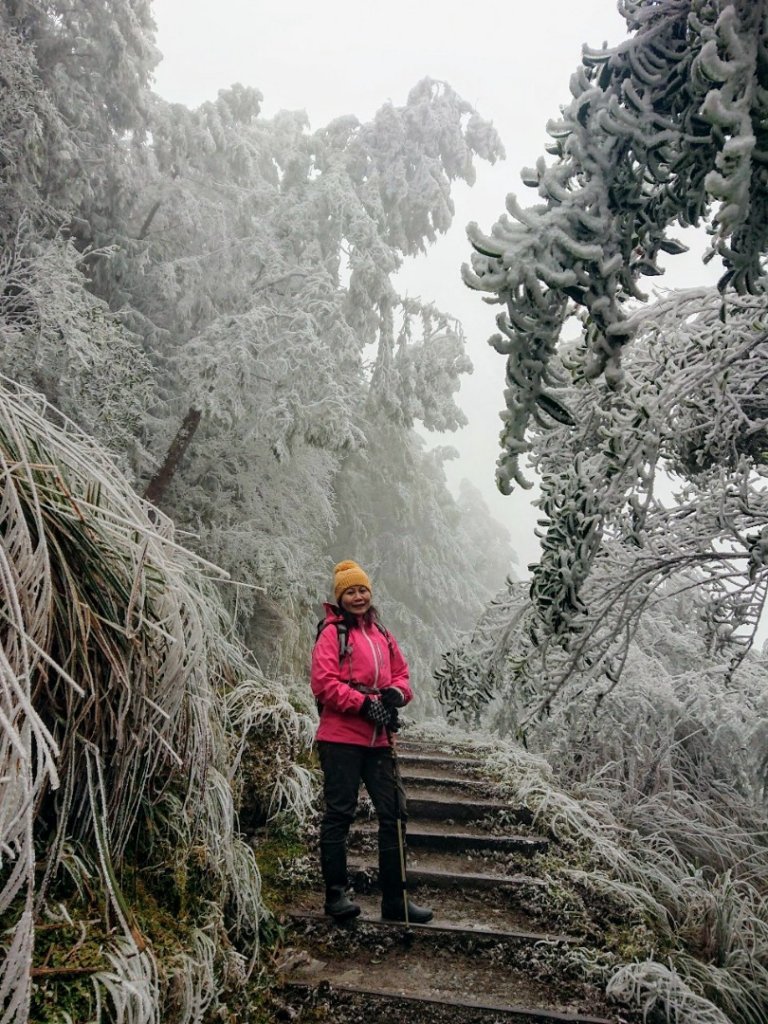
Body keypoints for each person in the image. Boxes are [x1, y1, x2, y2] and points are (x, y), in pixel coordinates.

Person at [311, 559, 433, 924]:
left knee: (394, 813)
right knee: (340, 814)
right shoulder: (333, 633)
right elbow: (324, 682)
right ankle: (336, 897)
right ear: (340, 597)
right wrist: (363, 704)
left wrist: (396, 694)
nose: (358, 596)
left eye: (362, 589)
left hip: (380, 739)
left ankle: (395, 900)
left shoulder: (382, 633)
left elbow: (402, 674)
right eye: (350, 591)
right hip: (340, 738)